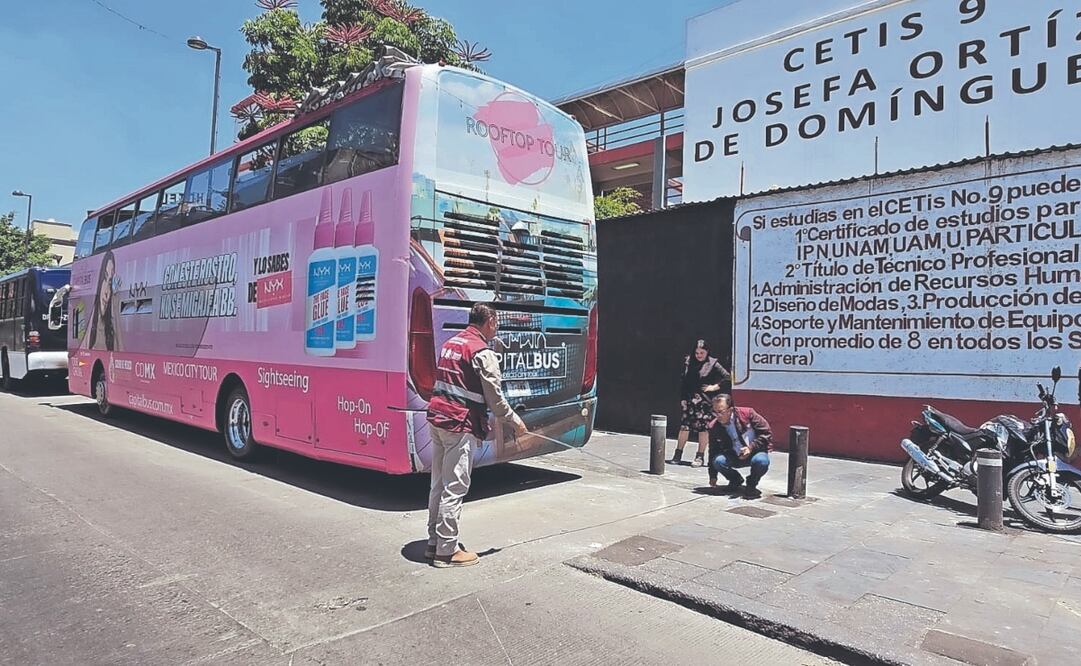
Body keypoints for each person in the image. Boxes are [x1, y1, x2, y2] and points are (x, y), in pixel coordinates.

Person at [424, 302, 527, 568]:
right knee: (455, 486)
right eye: (497, 323)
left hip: (438, 418)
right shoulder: (482, 352)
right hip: (458, 424)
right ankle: (446, 551)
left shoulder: (451, 343)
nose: (497, 328)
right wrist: (515, 421)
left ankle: (433, 542)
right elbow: (496, 399)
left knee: (439, 483)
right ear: (490, 321)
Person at [671, 340, 731, 467]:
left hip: (705, 402)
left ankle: (700, 456)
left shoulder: (713, 363)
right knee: (684, 427)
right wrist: (683, 398)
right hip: (690, 400)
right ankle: (678, 454)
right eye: (697, 353)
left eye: (702, 353)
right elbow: (684, 381)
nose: (699, 355)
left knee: (703, 429)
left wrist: (714, 387)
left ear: (707, 352)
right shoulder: (689, 362)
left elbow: (727, 377)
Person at [707, 394, 773, 499]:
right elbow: (712, 451)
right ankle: (735, 480)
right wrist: (713, 475)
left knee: (762, 461)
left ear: (730, 410)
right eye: (714, 412)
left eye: (721, 412)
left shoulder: (748, 414)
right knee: (718, 461)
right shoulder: (714, 426)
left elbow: (766, 433)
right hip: (734, 455)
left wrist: (751, 447)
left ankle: (751, 484)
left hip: (755, 452)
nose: (717, 416)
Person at [87, 250, 122, 352]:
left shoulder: (110, 332)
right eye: (104, 278)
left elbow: (121, 352)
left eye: (110, 282)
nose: (107, 292)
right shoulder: (88, 332)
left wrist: (116, 304)